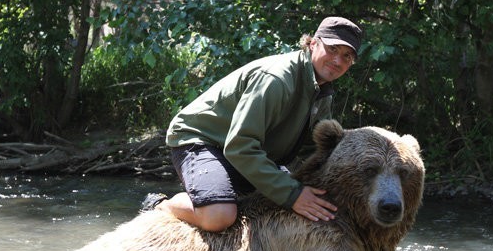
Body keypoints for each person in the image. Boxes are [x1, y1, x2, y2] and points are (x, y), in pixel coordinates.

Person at [149, 16, 362, 232]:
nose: (338, 61)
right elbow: (240, 145)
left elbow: (312, 152)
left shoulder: (322, 91)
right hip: (201, 140)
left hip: (245, 151)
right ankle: (160, 205)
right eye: (333, 49)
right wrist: (292, 194)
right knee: (219, 216)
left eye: (347, 56)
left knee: (305, 202)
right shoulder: (277, 79)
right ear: (314, 43)